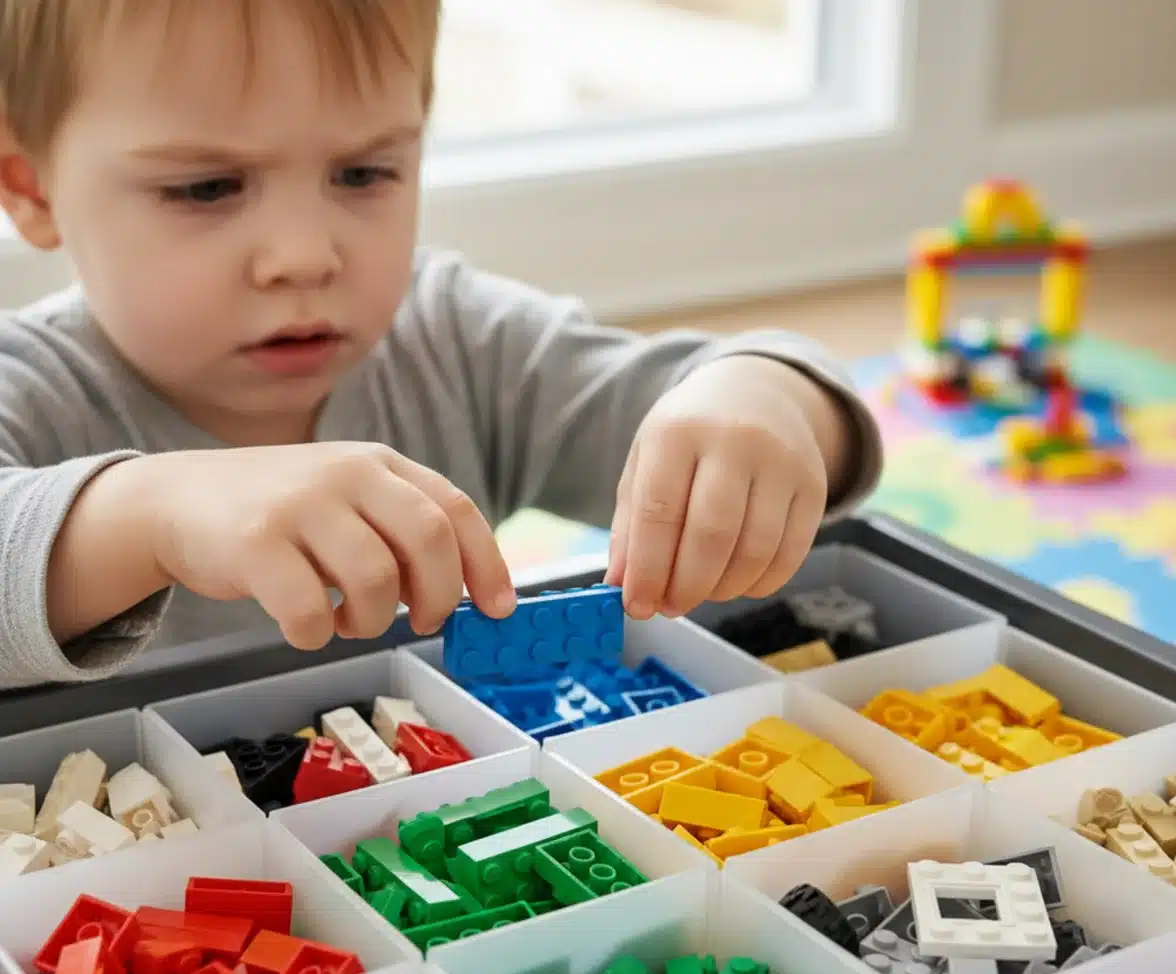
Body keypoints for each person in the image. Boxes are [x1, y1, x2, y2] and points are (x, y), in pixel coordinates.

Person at [0, 0, 882, 690]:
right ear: (30, 186)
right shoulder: (29, 387)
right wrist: (155, 514)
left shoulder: (458, 345)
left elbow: (769, 420)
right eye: (205, 187)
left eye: (364, 173)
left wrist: (765, 397)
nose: (305, 255)